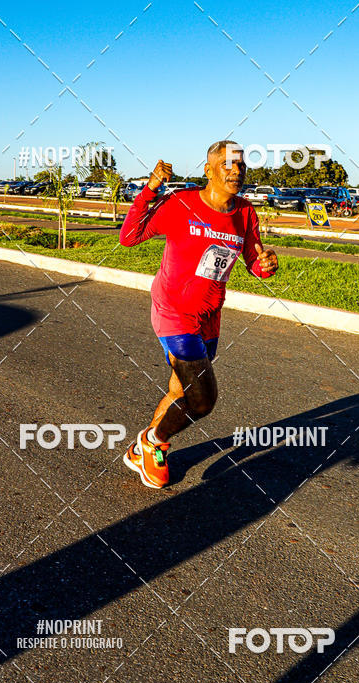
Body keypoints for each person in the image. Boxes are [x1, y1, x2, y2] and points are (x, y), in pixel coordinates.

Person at [119, 140, 279, 488]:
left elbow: (254, 262)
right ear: (208, 170)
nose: (235, 171)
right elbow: (129, 237)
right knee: (202, 399)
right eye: (226, 164)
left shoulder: (245, 212)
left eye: (240, 165)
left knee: (180, 390)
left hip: (209, 316)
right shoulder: (182, 203)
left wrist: (266, 266)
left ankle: (140, 449)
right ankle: (153, 442)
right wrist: (149, 190)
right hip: (174, 312)